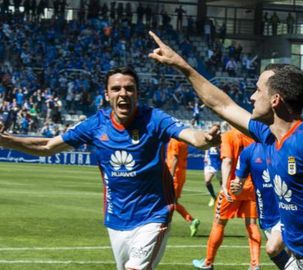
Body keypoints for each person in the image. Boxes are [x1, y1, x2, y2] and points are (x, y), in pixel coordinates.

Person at [148, 31, 303, 270]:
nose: (251, 96)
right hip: (301, 260)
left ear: (275, 100)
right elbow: (222, 104)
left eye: (258, 90)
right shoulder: (268, 135)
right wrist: (183, 66)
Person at [0, 66, 221, 270]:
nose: (122, 93)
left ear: (137, 93)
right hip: (116, 219)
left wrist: (206, 140)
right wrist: (7, 141)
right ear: (107, 95)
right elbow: (48, 145)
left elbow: (192, 136)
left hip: (154, 215)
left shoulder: (154, 119)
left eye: (129, 88)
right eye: (116, 89)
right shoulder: (95, 124)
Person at [193, 126, 261, 270]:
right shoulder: (253, 136)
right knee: (252, 224)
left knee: (219, 222)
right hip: (251, 186)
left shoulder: (228, 136)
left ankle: (208, 262)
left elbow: (227, 161)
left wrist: (224, 184)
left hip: (233, 186)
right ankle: (255, 265)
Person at [230, 142, 290, 269]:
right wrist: (236, 187)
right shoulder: (249, 152)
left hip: (288, 210)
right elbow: (239, 183)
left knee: (272, 248)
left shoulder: (285, 146)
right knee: (289, 258)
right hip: (267, 214)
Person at [166, 138, 201, 237]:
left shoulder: (175, 141)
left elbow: (175, 158)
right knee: (172, 201)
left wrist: (171, 176)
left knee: (169, 201)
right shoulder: (183, 141)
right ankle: (191, 220)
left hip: (175, 174)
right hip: (180, 173)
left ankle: (166, 225)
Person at [204, 142, 221, 207]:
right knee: (207, 181)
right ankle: (213, 197)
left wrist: (218, 149)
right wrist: (206, 156)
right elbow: (206, 146)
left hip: (219, 163)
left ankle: (221, 199)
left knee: (222, 183)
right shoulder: (210, 139)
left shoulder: (222, 140)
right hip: (210, 162)